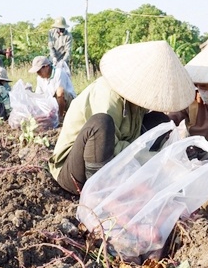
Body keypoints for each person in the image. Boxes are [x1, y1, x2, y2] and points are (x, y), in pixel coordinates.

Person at [49, 40, 194, 195]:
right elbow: (109, 144)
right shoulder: (108, 94)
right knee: (101, 123)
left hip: (114, 165)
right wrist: (151, 158)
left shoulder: (137, 100)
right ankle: (98, 194)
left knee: (160, 121)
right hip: (76, 173)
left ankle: (134, 181)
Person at [27, 55, 76, 122]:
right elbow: (39, 95)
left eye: (39, 71)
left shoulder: (59, 73)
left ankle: (60, 117)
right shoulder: (40, 79)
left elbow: (60, 94)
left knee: (59, 91)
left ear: (46, 66)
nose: (38, 73)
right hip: (53, 104)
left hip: (70, 103)